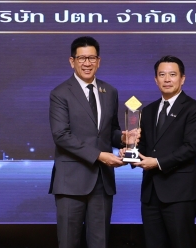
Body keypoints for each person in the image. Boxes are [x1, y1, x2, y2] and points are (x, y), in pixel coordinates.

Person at [49, 36, 125, 248]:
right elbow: (61, 135)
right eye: (81, 58)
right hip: (70, 182)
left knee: (100, 242)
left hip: (102, 182)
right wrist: (99, 156)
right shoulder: (60, 93)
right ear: (71, 61)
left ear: (98, 61)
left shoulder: (110, 92)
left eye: (91, 58)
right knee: (68, 242)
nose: (87, 63)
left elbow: (110, 132)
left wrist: (124, 138)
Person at [133, 55, 196, 248]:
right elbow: (144, 146)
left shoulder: (194, 109)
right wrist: (131, 152)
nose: (167, 79)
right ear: (155, 79)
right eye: (162, 75)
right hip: (150, 194)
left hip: (179, 195)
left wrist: (157, 163)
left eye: (172, 75)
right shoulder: (148, 110)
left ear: (182, 79)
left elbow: (191, 148)